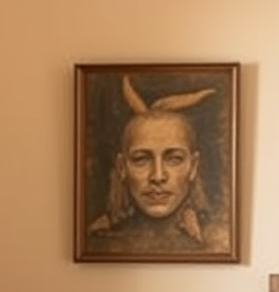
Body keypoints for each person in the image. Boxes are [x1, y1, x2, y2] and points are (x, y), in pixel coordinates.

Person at [87, 76, 225, 254]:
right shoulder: (98, 239)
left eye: (174, 158)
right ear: (122, 167)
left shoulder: (216, 238)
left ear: (194, 166)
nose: (158, 176)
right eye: (141, 159)